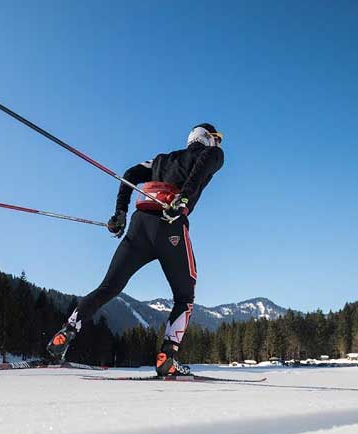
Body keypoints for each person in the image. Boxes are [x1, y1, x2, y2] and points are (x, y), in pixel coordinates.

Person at [46, 123, 224, 375]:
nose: (218, 143)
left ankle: (68, 330)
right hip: (170, 226)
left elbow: (130, 174)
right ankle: (167, 357)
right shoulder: (212, 153)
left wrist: (120, 211)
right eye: (217, 138)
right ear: (208, 138)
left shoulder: (161, 160)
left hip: (139, 226)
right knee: (184, 297)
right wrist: (183, 197)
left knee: (109, 287)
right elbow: (205, 162)